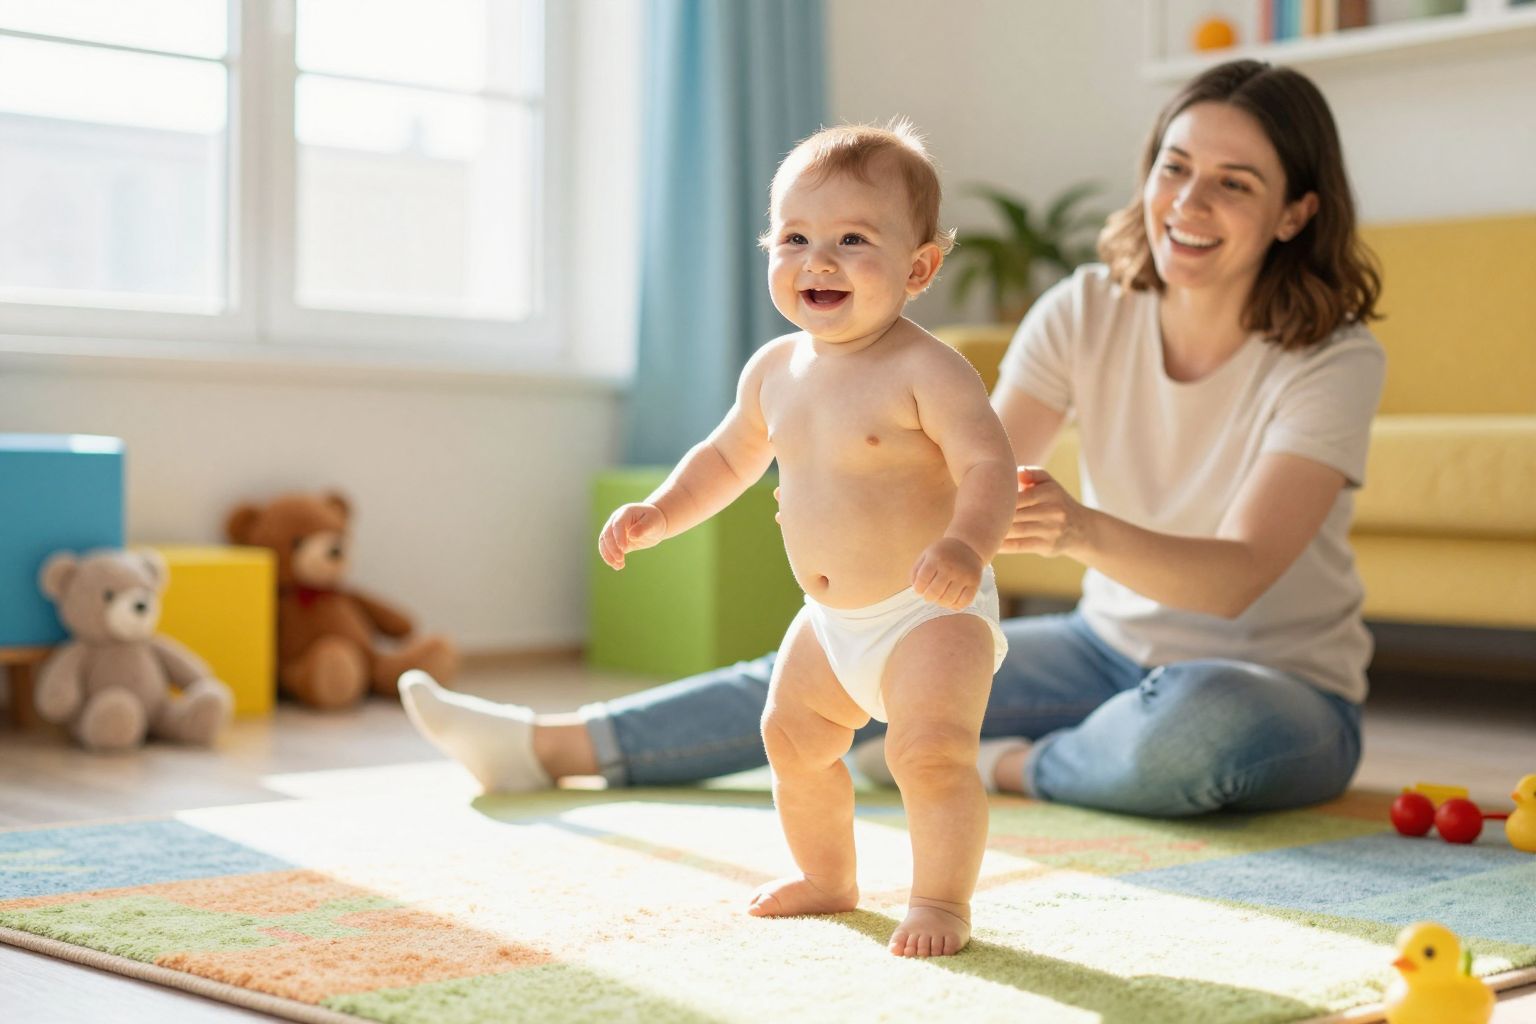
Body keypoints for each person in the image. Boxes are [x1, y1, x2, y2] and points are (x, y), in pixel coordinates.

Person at [403, 55, 1384, 937]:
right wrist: (871, 529)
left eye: (1234, 182)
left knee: (1198, 722)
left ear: (1296, 211)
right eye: (1174, 166)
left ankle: (1009, 762)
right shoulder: (1086, 310)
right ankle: (549, 744)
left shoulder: (1332, 360)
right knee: (833, 661)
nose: (1188, 200)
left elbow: (1239, 581)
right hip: (1105, 647)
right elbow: (961, 465)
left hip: (1274, 683)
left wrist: (1079, 527)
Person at [411, 121, 1018, 959]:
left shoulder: (928, 370)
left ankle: (941, 900)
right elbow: (728, 456)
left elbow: (991, 463)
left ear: (918, 268)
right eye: (796, 238)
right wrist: (661, 511)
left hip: (929, 613)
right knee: (791, 737)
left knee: (930, 754)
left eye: (853, 240)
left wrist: (964, 547)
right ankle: (829, 877)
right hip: (831, 622)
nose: (820, 260)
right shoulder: (775, 369)